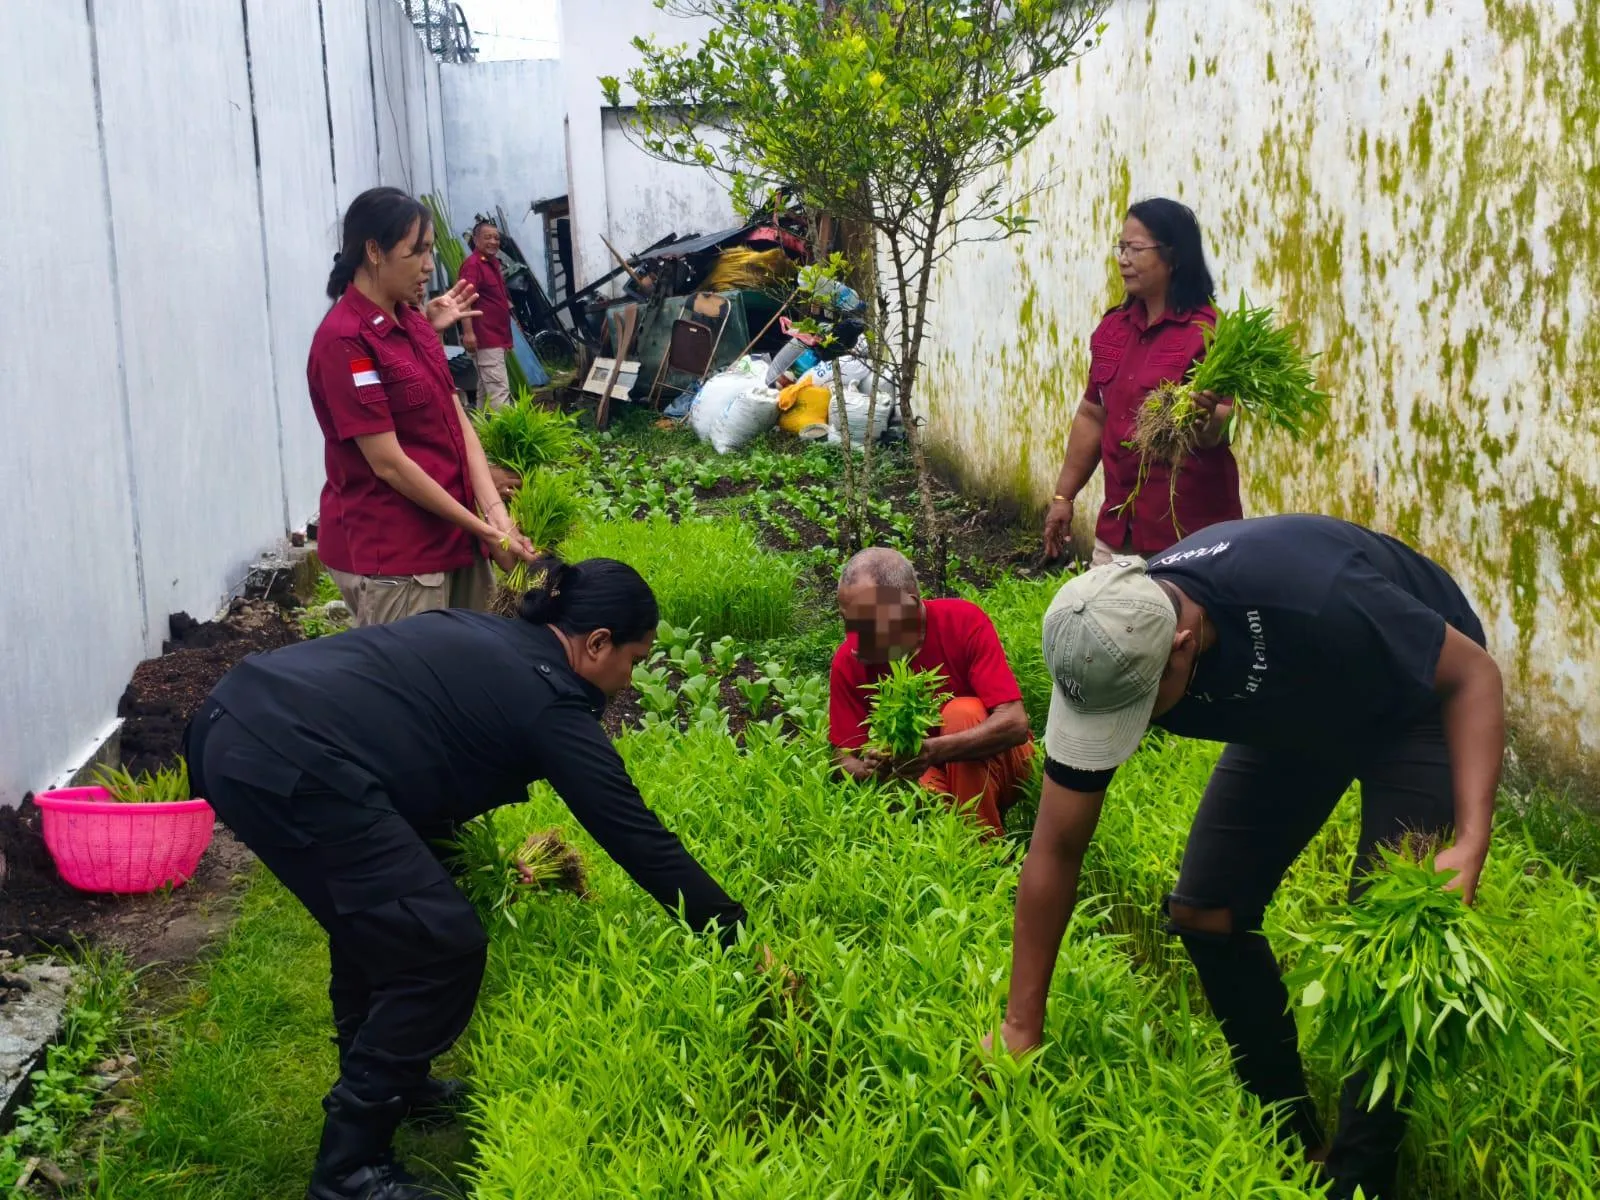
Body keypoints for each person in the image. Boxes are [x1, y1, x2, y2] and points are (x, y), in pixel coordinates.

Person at [184, 558, 752, 1200]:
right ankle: (349, 1172)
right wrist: (733, 933)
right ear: (597, 643)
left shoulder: (495, 637)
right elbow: (633, 833)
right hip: (283, 756)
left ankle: (397, 1084)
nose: (631, 679)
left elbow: (413, 747)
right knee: (439, 948)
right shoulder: (548, 702)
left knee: (391, 913)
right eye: (635, 659)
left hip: (237, 717)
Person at [989, 515, 1504, 1200]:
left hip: (1416, 696)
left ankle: (1359, 1179)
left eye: (1137, 710)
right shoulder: (1108, 636)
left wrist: (1469, 842)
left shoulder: (1311, 595)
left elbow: (1474, 675)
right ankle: (1293, 1138)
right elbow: (1056, 846)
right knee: (1206, 913)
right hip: (1300, 704)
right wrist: (1020, 1023)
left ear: (1183, 647)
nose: (1125, 732)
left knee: (1388, 940)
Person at [311, 188, 535, 628]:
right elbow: (389, 464)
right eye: (418, 251)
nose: (429, 265)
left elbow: (458, 422)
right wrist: (486, 531)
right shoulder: (345, 341)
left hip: (455, 538)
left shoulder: (414, 322)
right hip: (401, 557)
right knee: (414, 672)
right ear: (374, 251)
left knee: (474, 660)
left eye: (430, 250)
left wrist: (497, 518)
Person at [1042, 198, 1242, 567]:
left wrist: (1208, 419)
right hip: (1119, 530)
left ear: (1174, 256)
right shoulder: (1112, 330)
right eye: (1121, 247)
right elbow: (1092, 415)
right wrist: (1063, 497)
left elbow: (1223, 425)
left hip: (1190, 536)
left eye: (1135, 248)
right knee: (1101, 605)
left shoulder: (1211, 333)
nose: (1123, 259)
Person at [829, 548, 1034, 838]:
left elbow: (1015, 723)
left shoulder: (962, 621)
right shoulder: (850, 657)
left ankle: (985, 849)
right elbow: (843, 756)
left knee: (961, 714)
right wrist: (869, 769)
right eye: (848, 620)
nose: (855, 634)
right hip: (927, 778)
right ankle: (959, 846)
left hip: (1002, 763)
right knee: (904, 790)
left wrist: (933, 750)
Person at [457, 219, 514, 410]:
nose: (493, 242)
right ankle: (508, 428)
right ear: (475, 239)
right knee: (499, 392)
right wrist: (468, 333)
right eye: (487, 237)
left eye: (496, 238)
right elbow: (464, 300)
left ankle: (480, 427)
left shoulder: (492, 264)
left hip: (497, 336)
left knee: (484, 389)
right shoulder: (473, 265)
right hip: (486, 338)